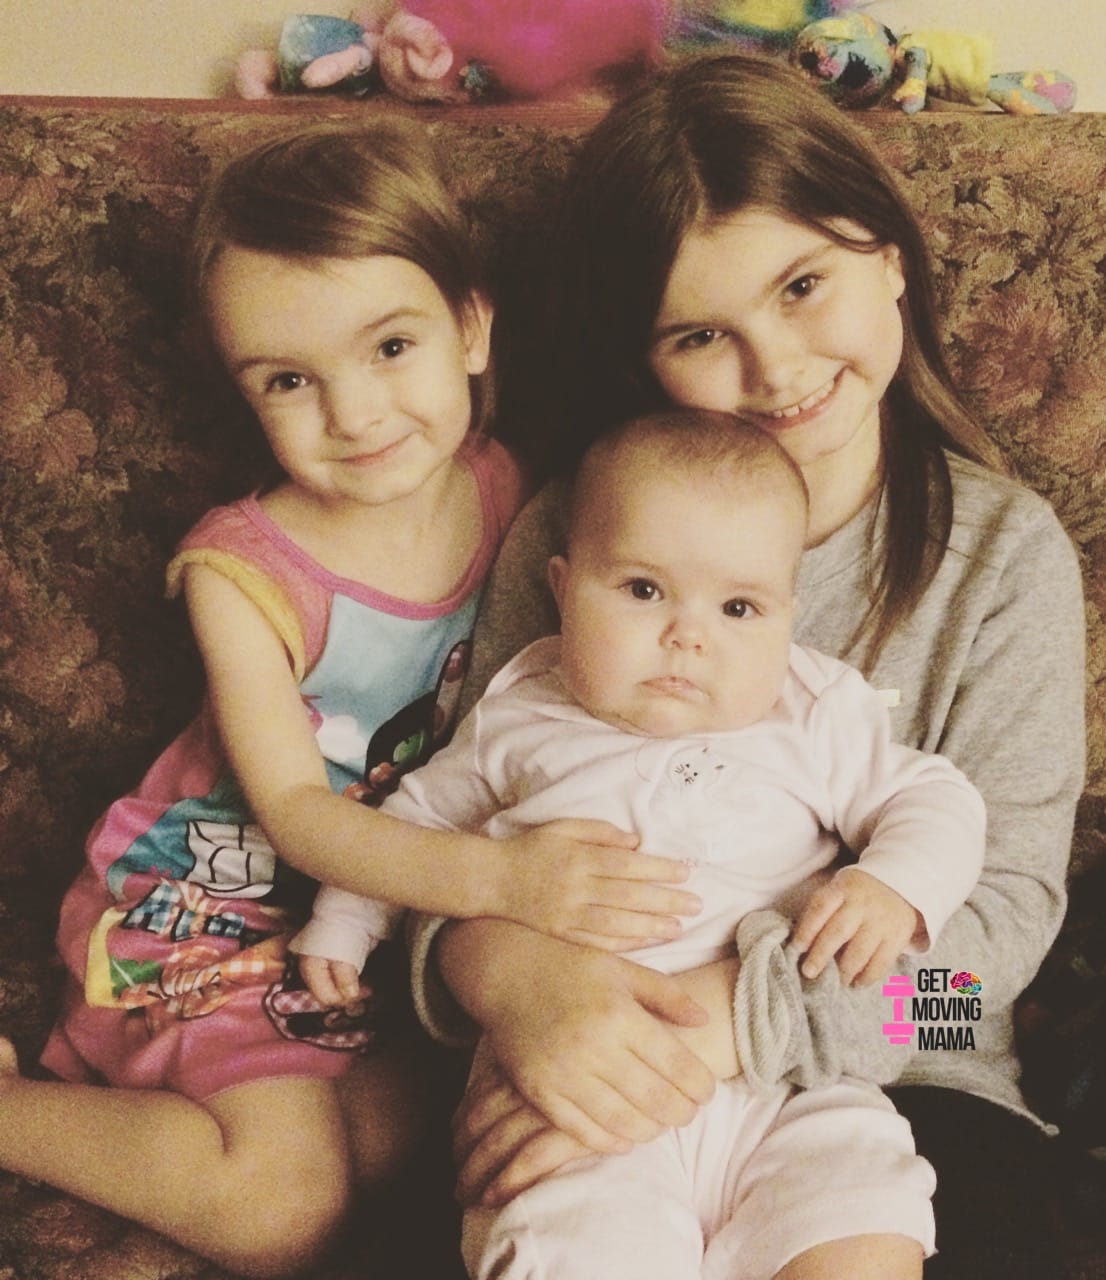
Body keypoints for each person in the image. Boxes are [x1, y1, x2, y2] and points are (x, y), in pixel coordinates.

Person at [424, 52, 1087, 1279]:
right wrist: (498, 972)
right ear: (646, 362)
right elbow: (466, 808)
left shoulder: (1003, 558)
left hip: (912, 1061)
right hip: (590, 1045)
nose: (774, 366)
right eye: (700, 334)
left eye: (801, 285)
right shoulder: (574, 534)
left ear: (889, 255)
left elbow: (1003, 933)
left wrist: (752, 1019)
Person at [0, 120, 699, 1279]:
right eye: (289, 379)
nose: (355, 412)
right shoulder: (239, 572)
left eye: (388, 347)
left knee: (436, 1146)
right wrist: (503, 879)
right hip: (208, 902)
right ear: (244, 389)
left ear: (470, 328)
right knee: (286, 1209)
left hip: (365, 930)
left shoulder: (517, 492)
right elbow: (292, 809)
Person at [300, 409, 986, 1279]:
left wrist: (897, 883)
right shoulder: (522, 711)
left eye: (739, 607)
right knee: (575, 1246)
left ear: (788, 616)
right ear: (562, 584)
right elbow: (414, 828)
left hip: (797, 1084)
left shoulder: (814, 710)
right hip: (572, 1085)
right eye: (642, 590)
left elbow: (940, 810)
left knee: (861, 1221)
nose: (688, 635)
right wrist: (349, 920)